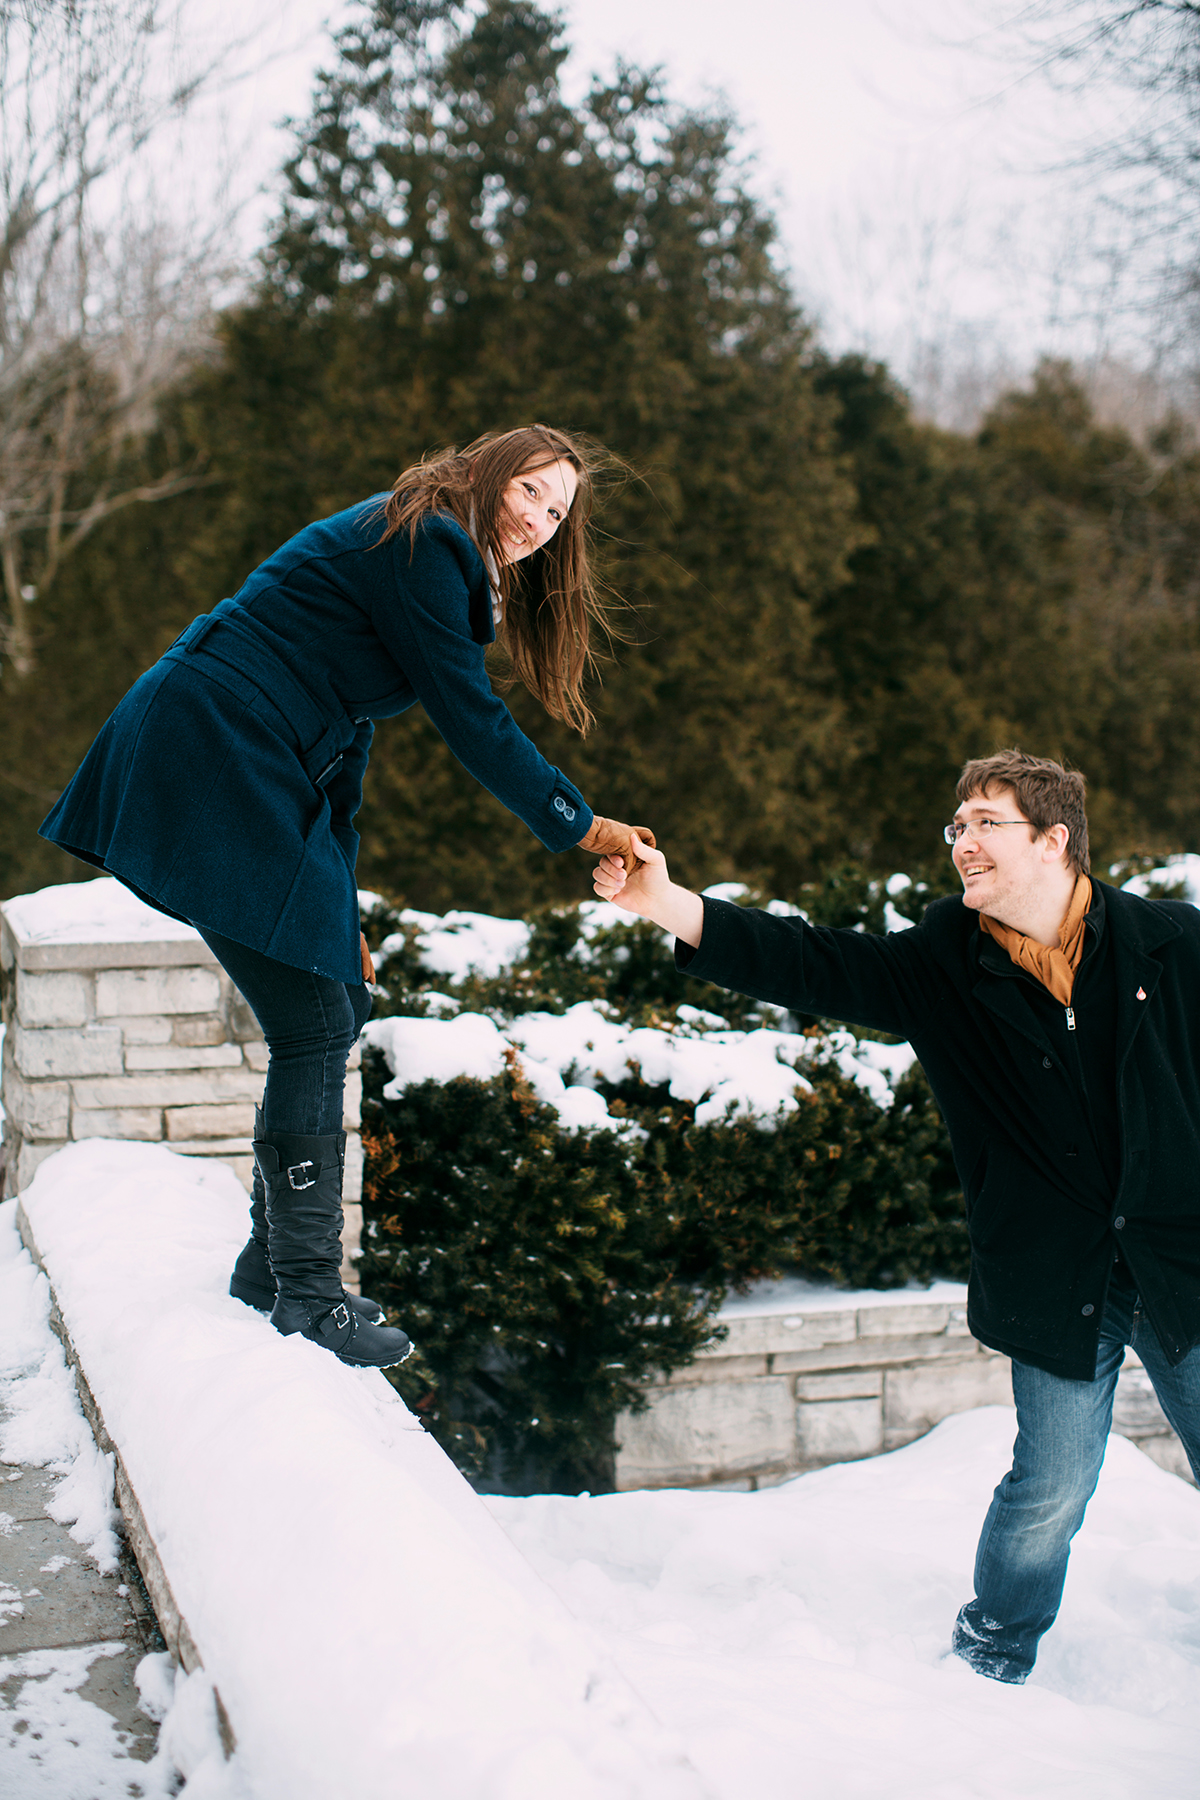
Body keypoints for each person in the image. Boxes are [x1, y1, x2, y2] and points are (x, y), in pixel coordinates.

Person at [41, 424, 652, 1371]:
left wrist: (341, 913)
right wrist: (584, 825)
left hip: (258, 749)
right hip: (215, 740)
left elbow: (347, 742)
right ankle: (309, 1293)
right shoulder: (429, 541)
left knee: (331, 1000)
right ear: (491, 470)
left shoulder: (429, 545)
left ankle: (269, 1270)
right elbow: (473, 722)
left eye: (558, 510)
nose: (539, 519)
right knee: (317, 1020)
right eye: (532, 490)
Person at [591, 749, 1200, 1684]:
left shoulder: (1174, 946)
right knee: (1052, 1486)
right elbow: (812, 961)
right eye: (956, 826)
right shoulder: (941, 964)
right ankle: (994, 1650)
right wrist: (669, 904)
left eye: (985, 823)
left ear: (1054, 839)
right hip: (1054, 1269)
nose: (962, 842)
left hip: (1180, 1253)